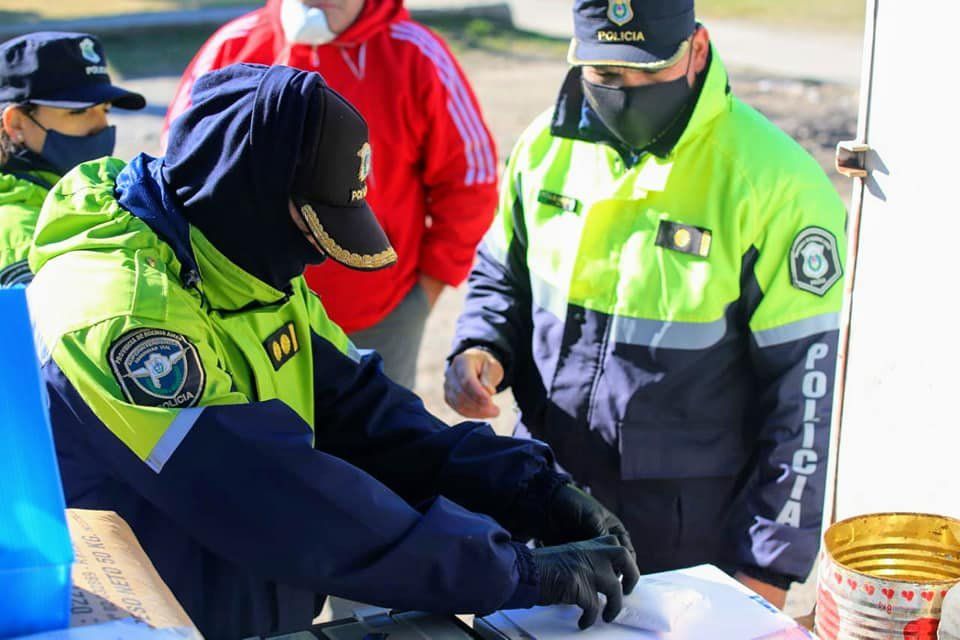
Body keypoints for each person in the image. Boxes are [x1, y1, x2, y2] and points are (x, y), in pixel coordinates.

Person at [27, 63, 639, 640]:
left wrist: (530, 490)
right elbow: (275, 499)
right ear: (248, 198)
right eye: (312, 226)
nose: (316, 256)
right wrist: (512, 572)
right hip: (152, 623)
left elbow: (367, 415)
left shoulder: (239, 262)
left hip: (251, 611)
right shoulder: (122, 318)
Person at [446, 0, 847, 608]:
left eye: (649, 68)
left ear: (698, 49)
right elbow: (500, 273)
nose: (626, 89)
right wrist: (481, 345)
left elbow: (804, 401)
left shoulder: (775, 183)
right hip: (544, 502)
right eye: (605, 73)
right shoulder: (544, 147)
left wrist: (765, 570)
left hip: (687, 539)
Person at [161, 0, 498, 388]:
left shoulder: (416, 53)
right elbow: (176, 167)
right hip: (248, 315)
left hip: (377, 317)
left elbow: (471, 179)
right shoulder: (233, 45)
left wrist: (426, 291)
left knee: (380, 426)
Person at [0, 32, 144, 287]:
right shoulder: (19, 229)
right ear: (16, 123)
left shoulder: (78, 197)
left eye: (105, 109)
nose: (101, 126)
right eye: (79, 111)